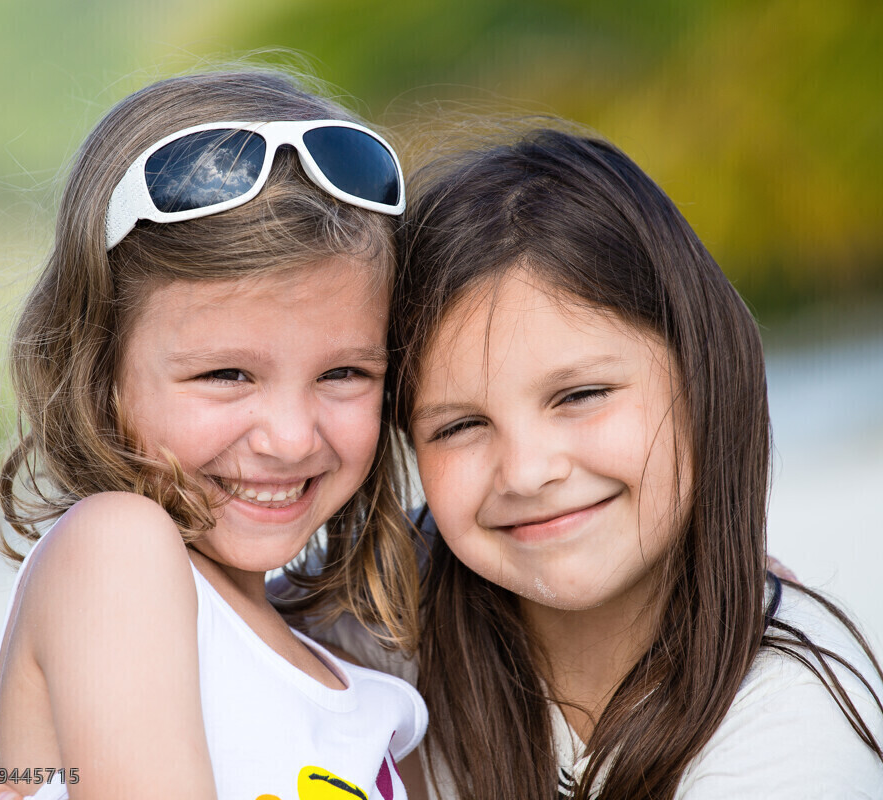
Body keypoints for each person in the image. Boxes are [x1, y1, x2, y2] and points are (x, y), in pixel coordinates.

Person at [316, 125, 882, 798]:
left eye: (580, 395)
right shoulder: (370, 627)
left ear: (704, 374)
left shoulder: (794, 721)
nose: (527, 472)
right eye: (462, 425)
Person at [0, 69, 429, 800]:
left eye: (343, 374)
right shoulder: (119, 551)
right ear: (100, 375)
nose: (292, 438)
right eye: (228, 375)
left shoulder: (354, 685)